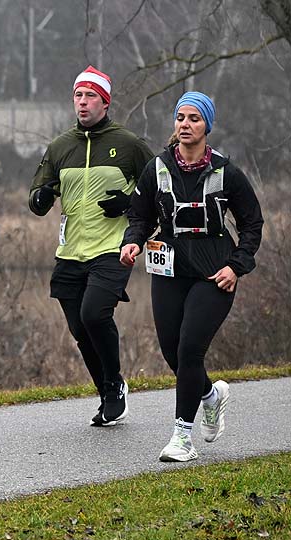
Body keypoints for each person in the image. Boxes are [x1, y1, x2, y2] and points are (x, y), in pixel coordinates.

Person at [120, 91, 263, 462]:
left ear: (207, 126)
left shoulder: (226, 172)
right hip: (169, 270)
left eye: (194, 119)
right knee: (173, 352)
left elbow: (252, 224)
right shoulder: (157, 167)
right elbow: (139, 217)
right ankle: (210, 397)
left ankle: (182, 437)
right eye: (180, 118)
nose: (185, 125)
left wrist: (237, 265)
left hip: (214, 272)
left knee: (189, 349)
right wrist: (132, 242)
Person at [28, 66, 154, 427]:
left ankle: (114, 385)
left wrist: (128, 203)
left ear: (105, 102)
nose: (82, 103)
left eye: (90, 97)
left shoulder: (129, 144)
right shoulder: (60, 146)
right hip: (70, 250)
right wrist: (39, 199)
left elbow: (157, 190)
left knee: (94, 313)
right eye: (78, 96)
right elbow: (39, 193)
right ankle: (106, 391)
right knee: (79, 328)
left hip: (112, 247)